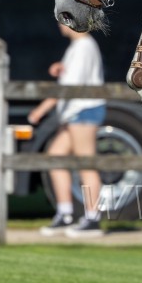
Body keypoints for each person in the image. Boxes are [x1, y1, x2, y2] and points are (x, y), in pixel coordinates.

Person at [28, 24, 107, 238]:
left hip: (83, 111)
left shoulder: (83, 46)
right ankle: (65, 215)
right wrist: (61, 67)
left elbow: (69, 87)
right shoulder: (78, 47)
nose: (59, 24)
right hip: (75, 113)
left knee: (85, 163)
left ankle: (92, 219)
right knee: (56, 157)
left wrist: (40, 110)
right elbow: (71, 76)